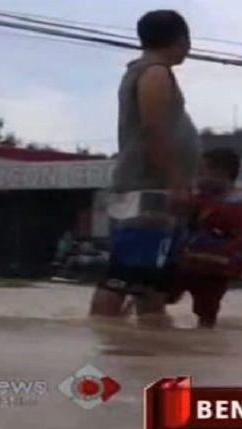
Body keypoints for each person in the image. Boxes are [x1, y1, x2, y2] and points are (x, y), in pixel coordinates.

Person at [89, 10, 199, 319]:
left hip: (154, 189)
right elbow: (155, 129)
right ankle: (107, 339)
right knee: (124, 276)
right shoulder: (154, 73)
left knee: (150, 281)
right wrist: (176, 183)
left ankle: (146, 351)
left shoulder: (149, 72)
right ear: (181, 38)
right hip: (148, 188)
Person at [169, 148, 242, 328]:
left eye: (201, 172)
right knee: (155, 300)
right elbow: (176, 229)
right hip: (184, 265)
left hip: (215, 272)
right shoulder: (196, 200)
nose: (197, 178)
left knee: (206, 316)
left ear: (222, 173)